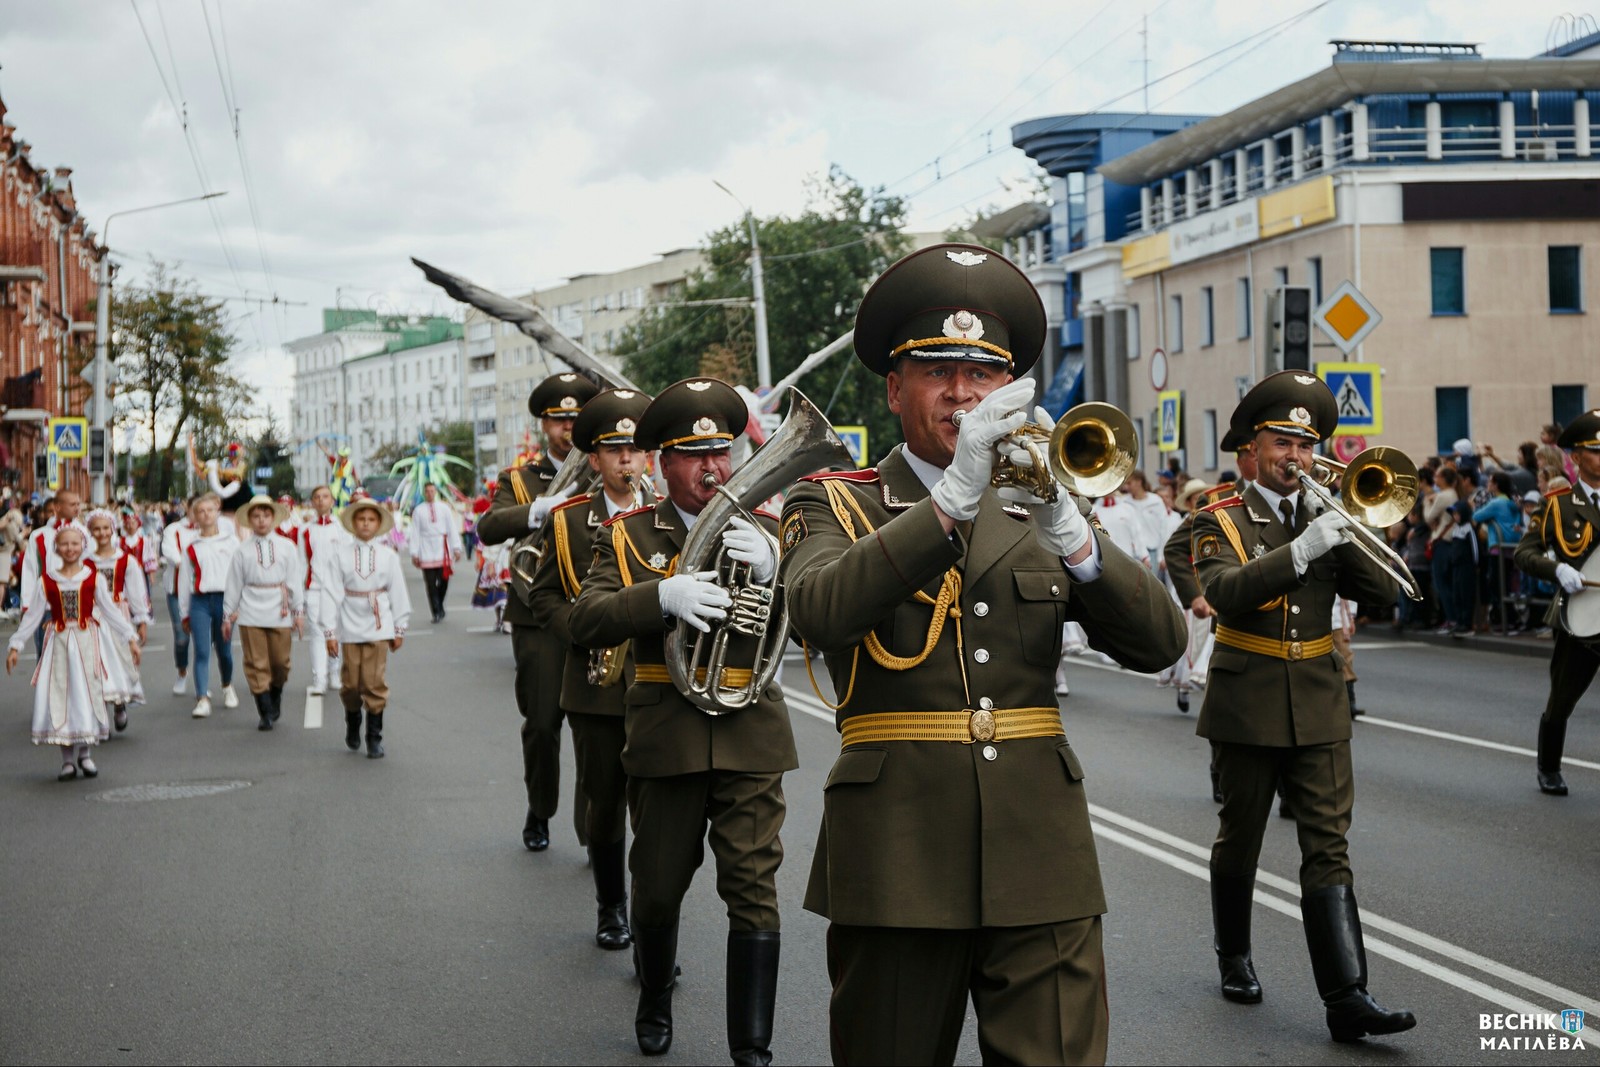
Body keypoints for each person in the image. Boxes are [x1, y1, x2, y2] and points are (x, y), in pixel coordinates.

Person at [779, 244, 1186, 1066]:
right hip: (897, 854)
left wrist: (1074, 536)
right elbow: (818, 610)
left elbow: (1161, 644)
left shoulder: (1035, 497)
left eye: (983, 372)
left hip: (1041, 849)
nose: (962, 392)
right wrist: (951, 501)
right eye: (936, 369)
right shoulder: (833, 501)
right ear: (895, 387)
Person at [569, 377, 797, 1062]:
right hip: (667, 734)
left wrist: (778, 570)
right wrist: (659, 594)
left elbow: (821, 614)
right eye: (695, 456)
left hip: (750, 730)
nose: (713, 469)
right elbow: (586, 618)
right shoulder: (631, 535)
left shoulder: (765, 529)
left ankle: (751, 1047)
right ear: (664, 462)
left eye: (721, 452)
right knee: (660, 888)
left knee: (754, 890)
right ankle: (654, 995)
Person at [1191, 370, 1412, 1043]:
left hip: (1317, 700)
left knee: (1328, 846)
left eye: (1305, 443)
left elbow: (1390, 594)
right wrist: (1300, 550)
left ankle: (1347, 994)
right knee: (1242, 837)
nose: (1296, 455)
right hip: (1247, 699)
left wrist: (1345, 530)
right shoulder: (1219, 516)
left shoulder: (1323, 513)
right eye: (1283, 441)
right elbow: (1225, 592)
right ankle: (1234, 953)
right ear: (1251, 447)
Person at [525, 386, 653, 952]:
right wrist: (578, 629)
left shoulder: (667, 515)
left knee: (656, 816)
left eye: (635, 449)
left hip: (659, 682)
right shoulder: (568, 519)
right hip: (596, 683)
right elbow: (543, 595)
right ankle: (611, 906)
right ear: (595, 460)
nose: (626, 460)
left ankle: (653, 924)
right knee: (605, 804)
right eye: (614, 451)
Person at [476, 371, 600, 852]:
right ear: (543, 425)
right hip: (537, 617)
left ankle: (594, 827)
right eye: (558, 419)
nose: (568, 428)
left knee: (597, 731)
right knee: (543, 723)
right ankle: (540, 806)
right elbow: (489, 527)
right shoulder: (522, 479)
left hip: (594, 611)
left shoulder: (604, 470)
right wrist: (539, 509)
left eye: (576, 419)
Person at [6, 526, 140, 780]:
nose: (70, 549)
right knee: (61, 695)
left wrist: (130, 637)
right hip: (58, 644)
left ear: (83, 546)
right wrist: (16, 644)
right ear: (56, 548)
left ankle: (85, 755)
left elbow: (110, 612)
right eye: (64, 544)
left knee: (86, 694)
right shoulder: (47, 581)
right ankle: (67, 759)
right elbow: (32, 617)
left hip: (86, 641)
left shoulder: (93, 578)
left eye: (75, 544)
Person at [1516, 408, 1600, 796]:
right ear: (1577, 457)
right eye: (1596, 451)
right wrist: (1557, 572)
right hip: (1578, 615)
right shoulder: (1558, 503)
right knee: (1562, 698)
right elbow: (1525, 553)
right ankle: (1549, 767)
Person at [321, 497, 411, 758]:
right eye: (361, 519)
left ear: (379, 523)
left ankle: (374, 737)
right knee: (350, 684)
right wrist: (330, 631)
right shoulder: (340, 554)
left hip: (378, 624)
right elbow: (330, 593)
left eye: (371, 519)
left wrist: (399, 627)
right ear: (353, 523)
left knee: (373, 682)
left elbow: (398, 592)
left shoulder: (388, 556)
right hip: (349, 624)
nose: (366, 524)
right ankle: (353, 720)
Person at [223, 495, 306, 731]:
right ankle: (264, 709)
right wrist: (227, 615)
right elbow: (233, 584)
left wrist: (298, 611)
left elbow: (294, 581)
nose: (261, 521)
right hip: (251, 610)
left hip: (279, 610)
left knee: (281, 662)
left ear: (274, 518)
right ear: (249, 520)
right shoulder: (242, 551)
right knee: (256, 662)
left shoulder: (286, 547)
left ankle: (276, 691)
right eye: (256, 516)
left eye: (266, 515)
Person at [85, 509, 149, 732]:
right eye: (97, 528)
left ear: (113, 529)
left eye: (105, 528)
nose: (102, 533)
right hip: (92, 617)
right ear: (90, 532)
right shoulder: (86, 562)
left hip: (118, 613)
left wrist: (141, 621)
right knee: (96, 662)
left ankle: (120, 703)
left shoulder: (126, 561)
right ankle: (100, 712)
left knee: (120, 660)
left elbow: (136, 591)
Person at [178, 493, 240, 719]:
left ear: (217, 512)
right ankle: (202, 697)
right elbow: (184, 580)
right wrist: (184, 613)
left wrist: (237, 606)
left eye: (210, 510)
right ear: (194, 516)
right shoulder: (191, 546)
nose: (205, 515)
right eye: (200, 511)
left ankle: (226, 685)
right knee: (202, 650)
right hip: (200, 601)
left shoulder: (231, 542)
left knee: (224, 651)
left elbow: (238, 576)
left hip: (225, 601)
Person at [298, 485, 350, 698]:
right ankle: (319, 678)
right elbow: (301, 563)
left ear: (332, 500)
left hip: (338, 590)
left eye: (325, 497)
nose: (321, 501)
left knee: (335, 632)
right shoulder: (305, 530)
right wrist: (299, 598)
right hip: (315, 589)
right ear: (312, 502)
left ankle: (334, 672)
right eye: (316, 497)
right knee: (318, 633)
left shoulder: (342, 528)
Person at [409, 482, 463, 623]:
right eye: (427, 491)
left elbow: (452, 528)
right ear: (424, 493)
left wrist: (456, 547)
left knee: (444, 580)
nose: (430, 493)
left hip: (442, 548)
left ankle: (439, 603)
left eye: (432, 491)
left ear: (436, 492)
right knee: (430, 583)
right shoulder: (418, 510)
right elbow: (414, 532)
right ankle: (436, 611)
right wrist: (414, 552)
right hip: (426, 548)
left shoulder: (444, 508)